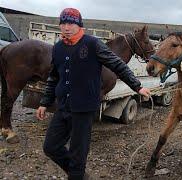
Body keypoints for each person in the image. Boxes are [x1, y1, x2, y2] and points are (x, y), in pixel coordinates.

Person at [36, 8, 150, 180]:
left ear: (79, 25)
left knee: (78, 153)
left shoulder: (92, 44)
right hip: (63, 106)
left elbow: (117, 64)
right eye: (63, 23)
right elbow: (54, 77)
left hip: (84, 108)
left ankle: (76, 174)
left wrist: (137, 87)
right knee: (50, 147)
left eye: (71, 23)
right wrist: (45, 102)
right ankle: (79, 175)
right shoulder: (58, 48)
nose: (66, 27)